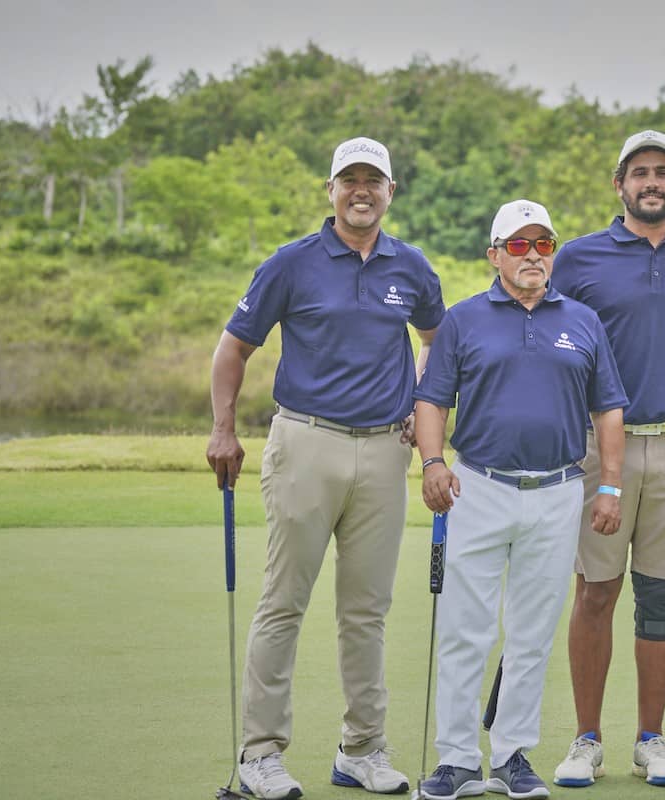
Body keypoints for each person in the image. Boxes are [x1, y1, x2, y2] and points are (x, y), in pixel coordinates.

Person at [206, 136, 444, 800]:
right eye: (350, 180)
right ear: (331, 190)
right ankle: (261, 755)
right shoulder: (291, 263)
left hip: (384, 452)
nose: (362, 190)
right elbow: (233, 349)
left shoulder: (413, 269)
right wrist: (223, 429)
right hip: (306, 443)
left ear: (391, 192)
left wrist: (419, 407)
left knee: (367, 610)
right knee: (284, 603)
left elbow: (436, 344)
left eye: (374, 180)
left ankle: (362, 749)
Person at [413, 199, 628, 800]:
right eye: (518, 245)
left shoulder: (583, 321)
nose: (533, 255)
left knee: (531, 631)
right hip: (476, 487)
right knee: (466, 628)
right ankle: (456, 760)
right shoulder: (464, 318)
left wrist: (609, 484)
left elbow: (608, 409)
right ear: (494, 254)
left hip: (558, 491)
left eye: (543, 244)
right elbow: (432, 399)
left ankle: (511, 755)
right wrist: (431, 462)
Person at [549, 130, 665, 789]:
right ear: (619, 185)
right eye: (640, 172)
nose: (652, 182)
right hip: (599, 447)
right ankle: (586, 739)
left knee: (661, 595)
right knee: (595, 591)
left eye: (663, 173)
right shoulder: (579, 257)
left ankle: (651, 739)